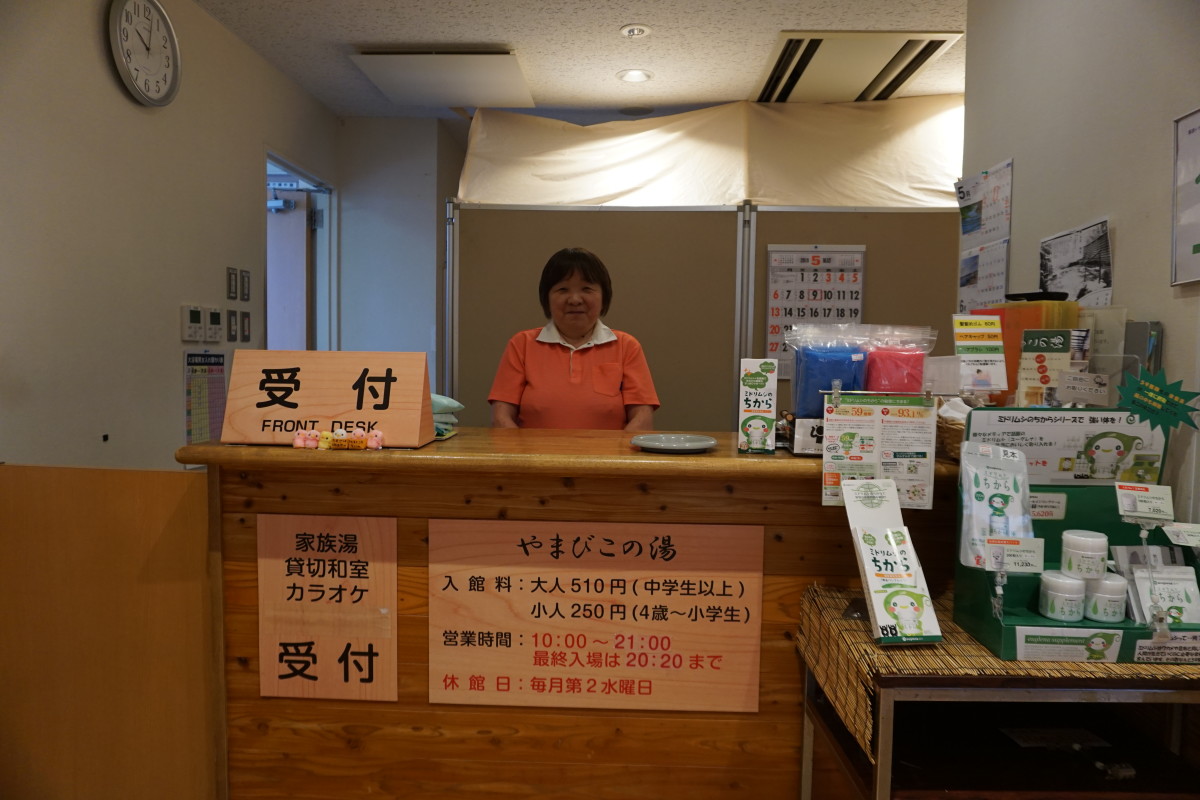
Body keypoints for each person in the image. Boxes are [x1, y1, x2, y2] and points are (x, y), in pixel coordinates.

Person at [488, 247, 659, 430]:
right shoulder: (522, 344)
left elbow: (642, 417)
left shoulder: (626, 346)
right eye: (562, 289)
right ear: (546, 298)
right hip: (533, 450)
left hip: (607, 449)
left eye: (587, 289)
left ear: (604, 296)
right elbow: (501, 417)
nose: (575, 299)